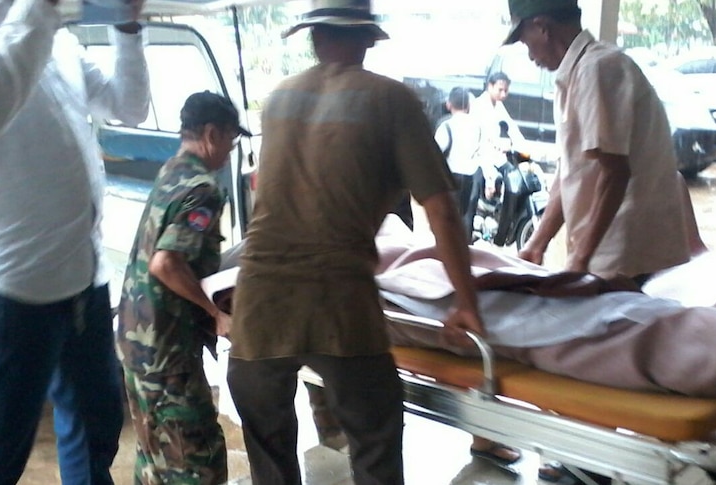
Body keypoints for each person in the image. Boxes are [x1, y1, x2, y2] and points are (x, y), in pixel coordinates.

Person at [224, 1, 487, 483]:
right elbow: (442, 209)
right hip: (338, 304)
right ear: (367, 38)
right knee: (375, 440)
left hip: (258, 302)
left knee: (269, 452)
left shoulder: (278, 97)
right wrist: (467, 304)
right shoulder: (392, 100)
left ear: (313, 38)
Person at [0, 0, 149, 482]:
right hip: (8, 290)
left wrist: (127, 26)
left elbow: (128, 105)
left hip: (82, 278)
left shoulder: (56, 36)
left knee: (94, 434)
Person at [507, 0, 691, 287]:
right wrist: (537, 244)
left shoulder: (599, 68)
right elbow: (569, 174)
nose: (528, 53)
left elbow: (615, 172)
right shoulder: (575, 74)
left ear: (541, 27)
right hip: (606, 253)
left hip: (625, 255)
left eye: (524, 40)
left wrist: (581, 258)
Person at [116, 91, 251, 484]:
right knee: (197, 459)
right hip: (166, 347)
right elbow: (166, 263)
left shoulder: (172, 169)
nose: (229, 151)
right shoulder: (204, 188)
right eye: (230, 139)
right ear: (211, 133)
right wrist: (216, 314)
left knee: (154, 452)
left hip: (135, 337)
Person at [434, 86, 486, 242]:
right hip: (471, 176)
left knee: (448, 218)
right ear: (468, 106)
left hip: (451, 177)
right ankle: (466, 249)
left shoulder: (446, 126)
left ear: (449, 105)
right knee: (467, 216)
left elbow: (436, 152)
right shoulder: (477, 126)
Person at [470, 71, 527, 158]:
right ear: (490, 86)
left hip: (493, 152)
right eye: (500, 90)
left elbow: (512, 128)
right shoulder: (479, 105)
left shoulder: (498, 104)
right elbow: (484, 137)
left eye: (506, 90)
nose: (503, 94)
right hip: (480, 154)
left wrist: (523, 150)